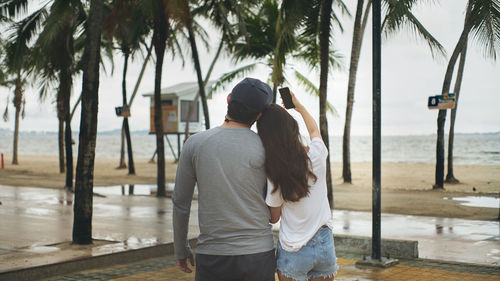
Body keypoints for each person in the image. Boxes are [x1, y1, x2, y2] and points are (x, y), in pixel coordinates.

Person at [172, 77, 276, 281]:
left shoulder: (194, 144)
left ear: (228, 99)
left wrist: (180, 249)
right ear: (259, 116)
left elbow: (180, 203)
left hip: (213, 255)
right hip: (259, 254)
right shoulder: (268, 148)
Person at [257, 91, 337, 281]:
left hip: (294, 249)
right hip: (325, 244)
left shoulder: (274, 171)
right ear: (293, 128)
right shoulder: (318, 153)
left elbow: (274, 218)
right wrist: (298, 107)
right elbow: (314, 131)